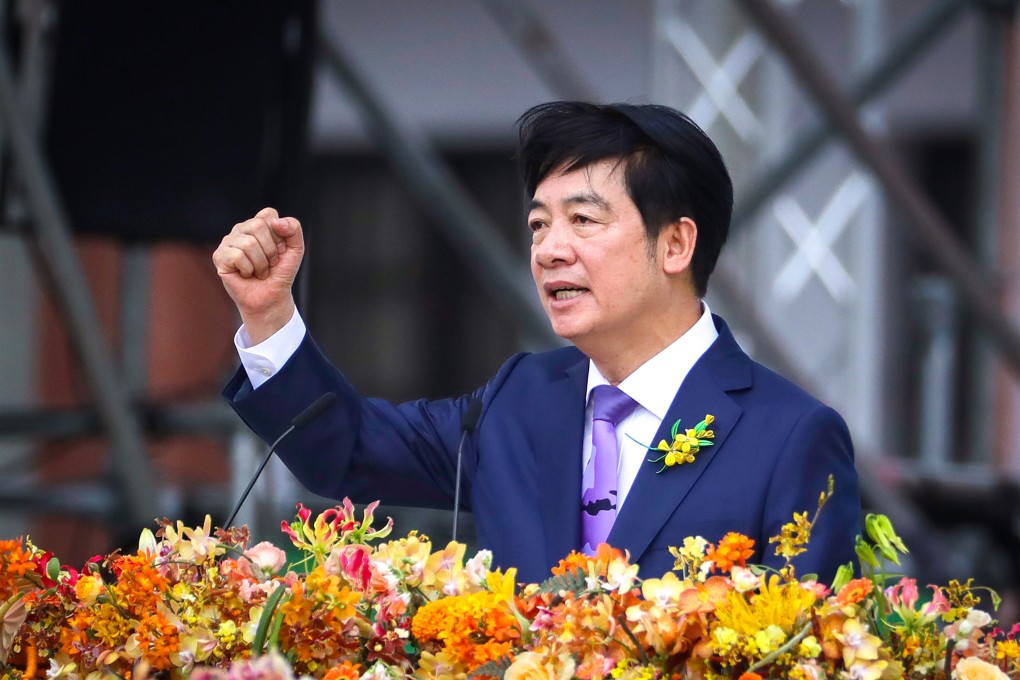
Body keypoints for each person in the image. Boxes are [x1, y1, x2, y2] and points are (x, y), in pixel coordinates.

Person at [214, 101, 860, 585]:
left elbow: (805, 648)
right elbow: (347, 451)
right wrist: (270, 313)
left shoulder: (788, 438)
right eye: (538, 224)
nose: (549, 250)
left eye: (582, 220)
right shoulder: (519, 400)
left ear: (676, 244)